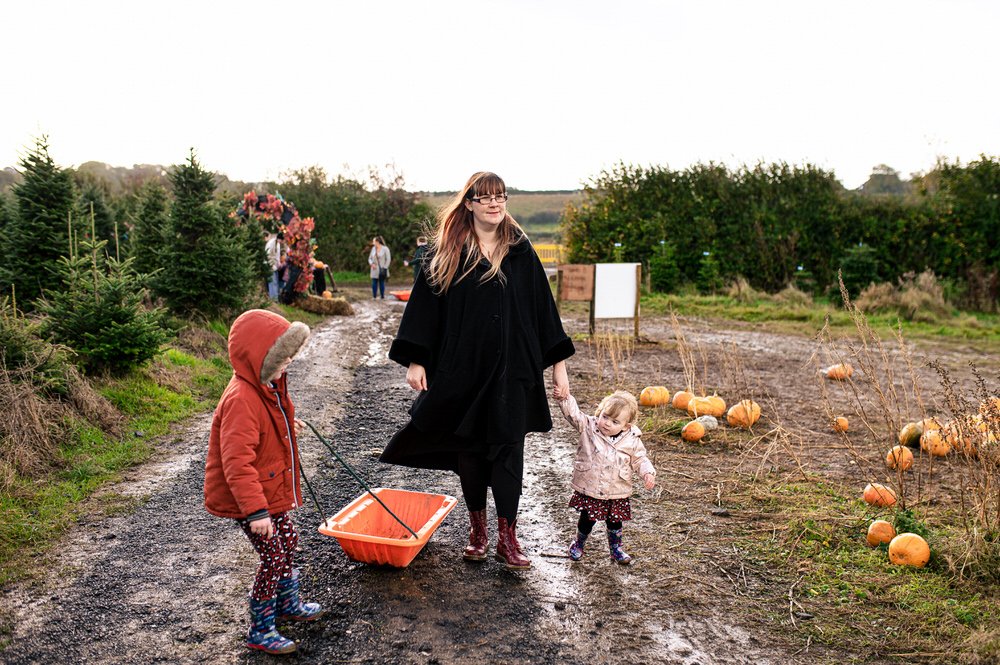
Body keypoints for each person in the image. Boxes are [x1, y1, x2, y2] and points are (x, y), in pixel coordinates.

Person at [381, 171, 575, 570]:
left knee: (508, 450)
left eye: (500, 196)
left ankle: (508, 537)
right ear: (468, 202)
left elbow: (544, 313)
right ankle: (478, 531)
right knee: (470, 450)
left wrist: (559, 368)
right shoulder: (448, 252)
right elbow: (425, 310)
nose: (494, 203)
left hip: (514, 371)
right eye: (485, 197)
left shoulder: (521, 251)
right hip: (462, 371)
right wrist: (417, 359)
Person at [203, 309, 325, 655]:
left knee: (289, 539)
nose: (287, 363)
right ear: (259, 356)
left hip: (265, 492)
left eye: (290, 356)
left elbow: (271, 417)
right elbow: (237, 462)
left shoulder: (266, 384)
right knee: (273, 555)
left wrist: (290, 423)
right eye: (281, 356)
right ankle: (260, 627)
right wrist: (256, 512)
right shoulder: (241, 399)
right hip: (249, 498)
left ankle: (288, 603)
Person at [553, 387, 656, 565]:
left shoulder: (632, 439)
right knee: (588, 519)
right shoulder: (589, 427)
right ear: (599, 413)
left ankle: (616, 549)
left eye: (615, 421)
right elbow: (574, 414)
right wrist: (565, 398)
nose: (607, 423)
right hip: (592, 486)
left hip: (617, 489)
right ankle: (578, 543)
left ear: (626, 425)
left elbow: (640, 459)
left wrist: (647, 472)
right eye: (605, 417)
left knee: (615, 522)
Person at [264, 231, 284, 300]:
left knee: (275, 281)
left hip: (275, 265)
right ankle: (273, 297)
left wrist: (278, 263)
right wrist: (272, 264)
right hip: (270, 263)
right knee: (272, 281)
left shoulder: (277, 244)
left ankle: (275, 296)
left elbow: (277, 255)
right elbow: (268, 254)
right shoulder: (271, 243)